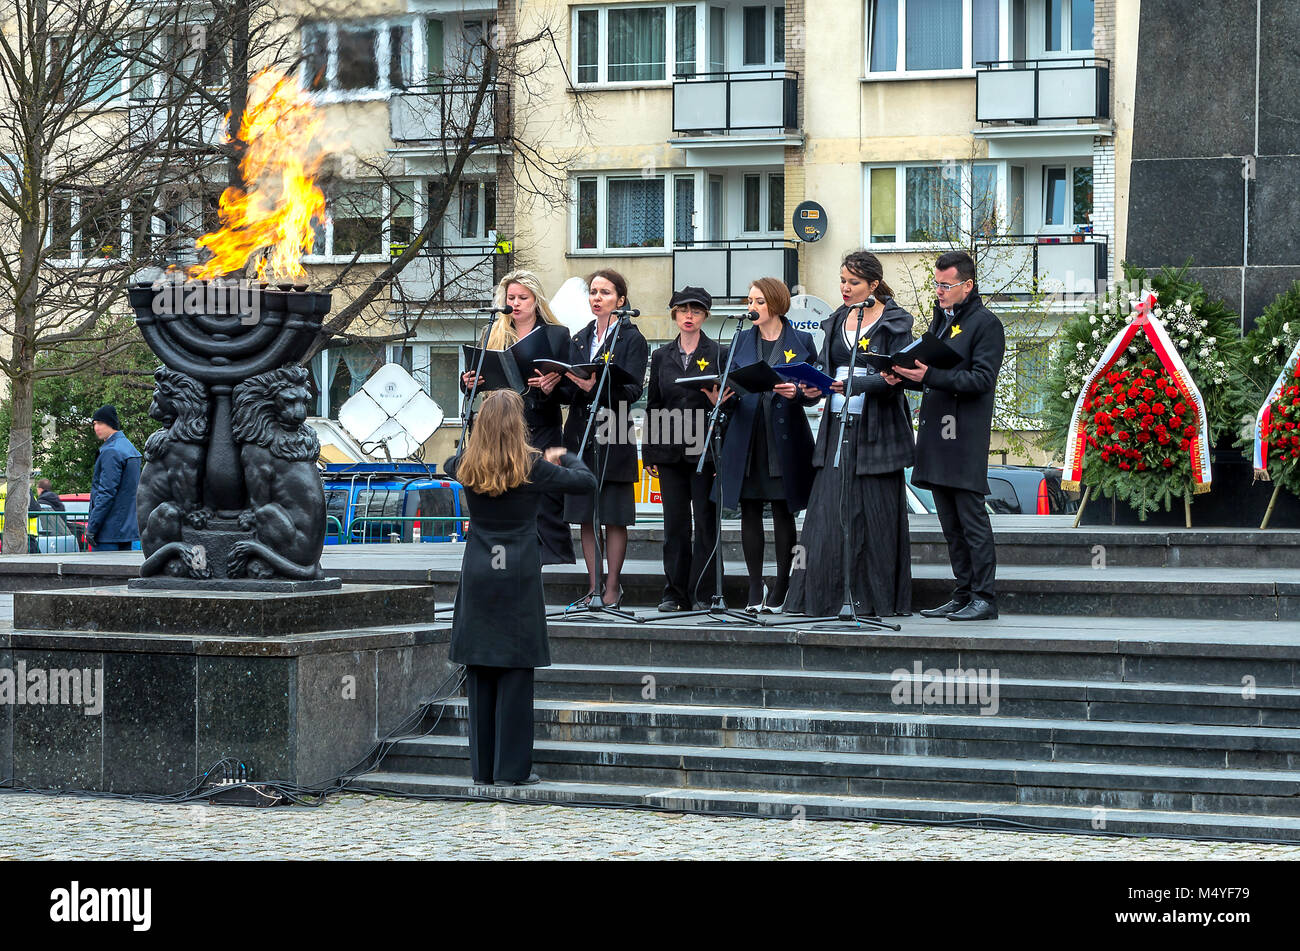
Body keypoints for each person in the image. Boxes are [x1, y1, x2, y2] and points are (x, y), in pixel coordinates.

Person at [444, 389, 596, 786]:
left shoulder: (464, 464)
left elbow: (448, 462)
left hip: (479, 569)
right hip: (518, 573)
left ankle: (483, 769)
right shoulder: (532, 467)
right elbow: (586, 482)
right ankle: (511, 770)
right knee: (515, 668)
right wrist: (563, 455)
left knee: (479, 667)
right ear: (518, 426)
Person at [787, 251, 915, 618]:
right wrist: (808, 389)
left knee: (874, 517)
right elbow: (825, 373)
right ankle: (822, 598)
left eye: (853, 283)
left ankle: (874, 600)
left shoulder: (895, 323)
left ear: (874, 285)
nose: (844, 288)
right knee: (827, 515)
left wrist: (853, 384)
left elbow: (896, 377)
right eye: (842, 280)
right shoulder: (836, 321)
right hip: (836, 426)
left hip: (877, 432)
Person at [884, 250, 1005, 621]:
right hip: (937, 432)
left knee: (971, 520)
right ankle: (963, 592)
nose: (939, 290)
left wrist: (928, 377)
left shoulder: (986, 324)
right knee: (950, 523)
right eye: (936, 283)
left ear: (967, 285)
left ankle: (984, 597)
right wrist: (905, 377)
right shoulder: (941, 321)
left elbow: (982, 380)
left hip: (964, 436)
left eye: (946, 285)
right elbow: (932, 376)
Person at [715, 277, 817, 614]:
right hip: (747, 436)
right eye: (750, 301)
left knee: (783, 511)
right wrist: (722, 399)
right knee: (749, 509)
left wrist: (798, 393)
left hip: (784, 439)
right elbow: (731, 389)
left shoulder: (802, 341)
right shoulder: (740, 340)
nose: (752, 308)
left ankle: (783, 584)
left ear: (775, 303)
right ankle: (754, 584)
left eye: (758, 301)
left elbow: (815, 392)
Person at [461, 269, 577, 565]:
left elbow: (571, 388)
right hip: (500, 424)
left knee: (543, 488)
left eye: (522, 298)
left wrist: (553, 386)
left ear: (536, 300)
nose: (516, 303)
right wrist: (469, 383)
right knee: (504, 487)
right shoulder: (493, 331)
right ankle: (505, 553)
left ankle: (552, 555)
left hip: (541, 422)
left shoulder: (556, 334)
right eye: (511, 297)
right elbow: (480, 379)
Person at [562, 269, 649, 609]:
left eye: (606, 292)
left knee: (613, 514)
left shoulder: (631, 338)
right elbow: (572, 386)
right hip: (581, 434)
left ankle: (613, 586)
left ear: (621, 300)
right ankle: (593, 585)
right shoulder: (580, 338)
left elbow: (633, 390)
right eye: (593, 292)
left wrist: (595, 386)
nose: (597, 298)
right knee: (586, 515)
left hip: (613, 433)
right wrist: (560, 384)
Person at [642, 286, 725, 611]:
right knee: (675, 524)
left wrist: (722, 451)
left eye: (695, 310)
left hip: (705, 449)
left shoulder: (718, 351)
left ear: (705, 315)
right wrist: (649, 452)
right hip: (669, 451)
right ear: (674, 314)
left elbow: (729, 405)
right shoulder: (661, 355)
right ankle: (674, 593)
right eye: (682, 310)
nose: (688, 316)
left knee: (706, 522)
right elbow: (654, 405)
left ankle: (704, 593)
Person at [87, 404, 142, 552]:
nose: (96, 428)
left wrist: (92, 527)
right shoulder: (130, 448)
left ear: (110, 423)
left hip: (108, 531)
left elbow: (106, 493)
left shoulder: (111, 451)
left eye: (100, 423)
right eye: (94, 424)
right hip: (127, 530)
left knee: (103, 574)